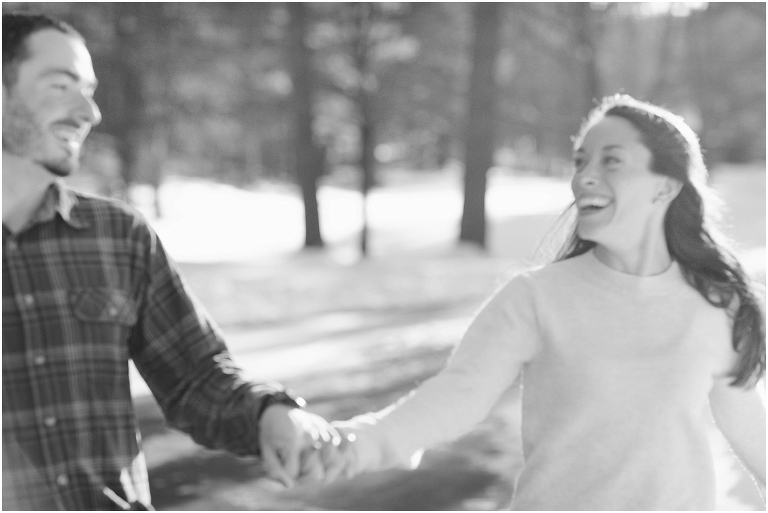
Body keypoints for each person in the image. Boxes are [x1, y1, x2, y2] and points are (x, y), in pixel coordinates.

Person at [329, 94, 766, 510]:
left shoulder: (717, 308)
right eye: (580, 161)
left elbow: (757, 440)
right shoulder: (536, 297)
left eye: (611, 160)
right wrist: (352, 444)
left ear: (665, 187)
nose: (584, 176)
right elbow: (455, 396)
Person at [2, 12, 343, 510]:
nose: (89, 112)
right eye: (61, 86)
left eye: (90, 89)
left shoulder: (118, 237)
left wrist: (269, 412)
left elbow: (196, 377)